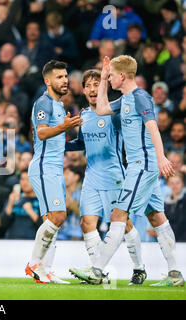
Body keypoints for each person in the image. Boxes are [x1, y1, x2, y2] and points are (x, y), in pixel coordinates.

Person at [70, 55, 184, 287]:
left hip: (142, 166)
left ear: (122, 76)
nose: (109, 79)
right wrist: (101, 78)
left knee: (118, 215)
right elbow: (101, 109)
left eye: (111, 75)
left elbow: (153, 127)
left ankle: (97, 270)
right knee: (157, 217)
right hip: (140, 166)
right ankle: (175, 274)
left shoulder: (141, 97)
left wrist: (161, 157)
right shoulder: (125, 99)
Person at [65, 69, 146, 285]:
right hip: (91, 177)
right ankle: (97, 273)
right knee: (86, 223)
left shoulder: (113, 113)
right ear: (83, 89)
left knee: (124, 225)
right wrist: (60, 144)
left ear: (104, 87)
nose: (92, 89)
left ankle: (139, 268)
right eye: (88, 85)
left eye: (96, 84)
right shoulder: (83, 115)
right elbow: (82, 143)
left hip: (113, 176)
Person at [26, 60, 82, 284]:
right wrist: (65, 127)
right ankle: (34, 264)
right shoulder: (44, 103)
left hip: (55, 168)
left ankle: (45, 270)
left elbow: (59, 142)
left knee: (52, 221)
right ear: (47, 81)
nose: (65, 80)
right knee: (58, 217)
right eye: (59, 77)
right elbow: (41, 133)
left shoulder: (59, 106)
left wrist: (81, 139)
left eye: (66, 76)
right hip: (43, 167)